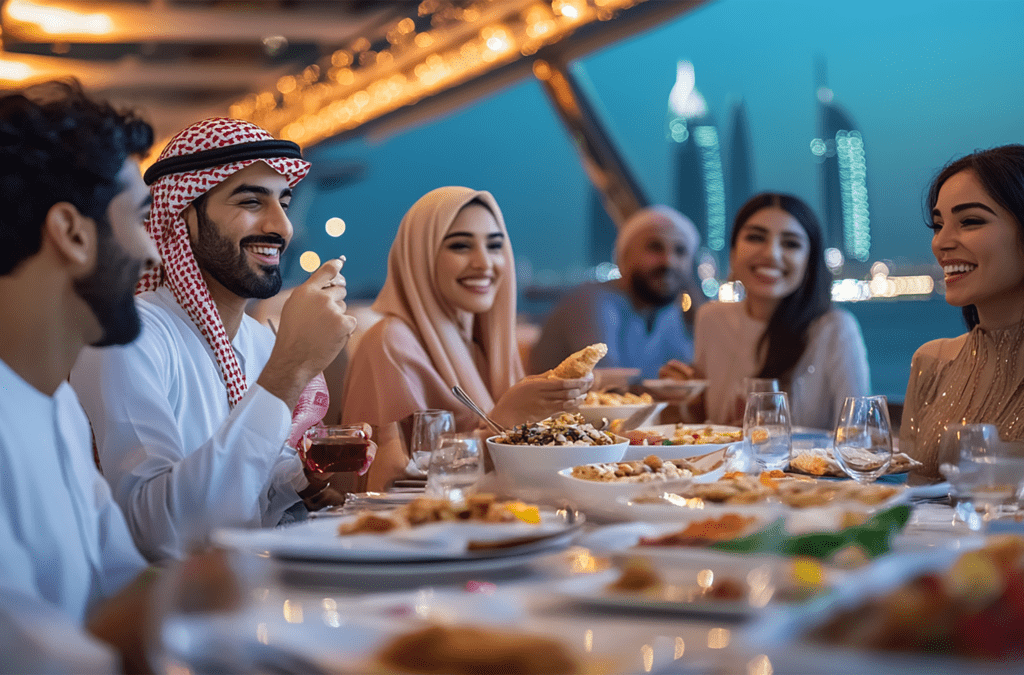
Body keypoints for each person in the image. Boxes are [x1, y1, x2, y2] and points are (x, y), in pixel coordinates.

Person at [71, 117, 360, 562]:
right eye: (251, 201)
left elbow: (246, 498)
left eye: (284, 203)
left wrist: (299, 481)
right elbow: (163, 533)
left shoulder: (257, 342)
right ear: (183, 215)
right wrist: (290, 368)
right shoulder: (128, 339)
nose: (281, 227)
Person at [0, 79, 166, 674]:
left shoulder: (60, 404)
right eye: (140, 221)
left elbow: (120, 584)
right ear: (71, 233)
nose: (153, 254)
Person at [342, 187, 591, 490]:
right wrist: (507, 421)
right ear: (420, 256)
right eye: (460, 246)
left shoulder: (483, 345)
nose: (484, 263)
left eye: (495, 246)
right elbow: (389, 486)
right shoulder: (391, 345)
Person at [661, 192, 870, 429]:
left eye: (791, 243)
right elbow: (705, 426)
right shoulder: (711, 318)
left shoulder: (835, 329)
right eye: (756, 238)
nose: (771, 253)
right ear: (732, 253)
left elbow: (857, 432)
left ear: (809, 263)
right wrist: (685, 396)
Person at [902, 145, 1024, 480]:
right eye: (938, 225)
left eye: (970, 221)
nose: (941, 242)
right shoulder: (932, 363)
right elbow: (911, 500)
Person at [529, 205, 700, 379]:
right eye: (655, 247)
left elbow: (687, 373)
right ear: (623, 257)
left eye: (681, 251)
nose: (669, 261)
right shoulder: (592, 301)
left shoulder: (667, 312)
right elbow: (608, 382)